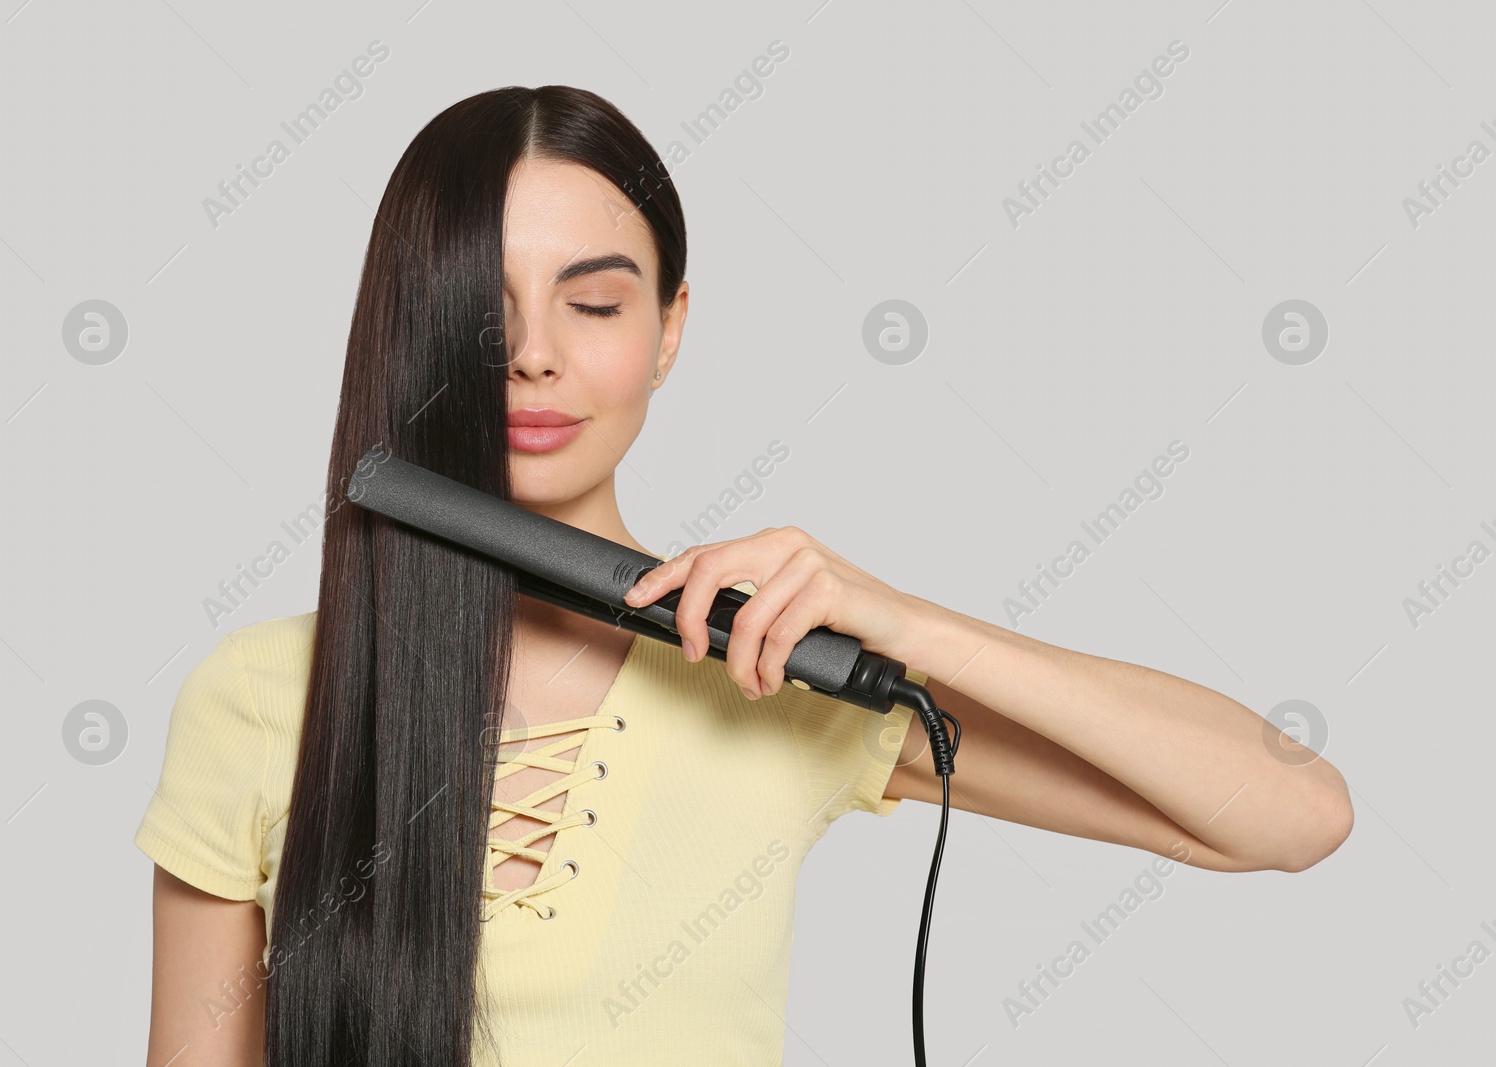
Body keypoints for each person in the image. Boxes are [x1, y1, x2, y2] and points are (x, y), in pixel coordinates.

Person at [136, 85, 1353, 1067]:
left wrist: (895, 616)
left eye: (595, 304)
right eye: (480, 314)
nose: (537, 359)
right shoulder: (255, 696)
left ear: (668, 330)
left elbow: (1290, 816)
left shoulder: (774, 681)